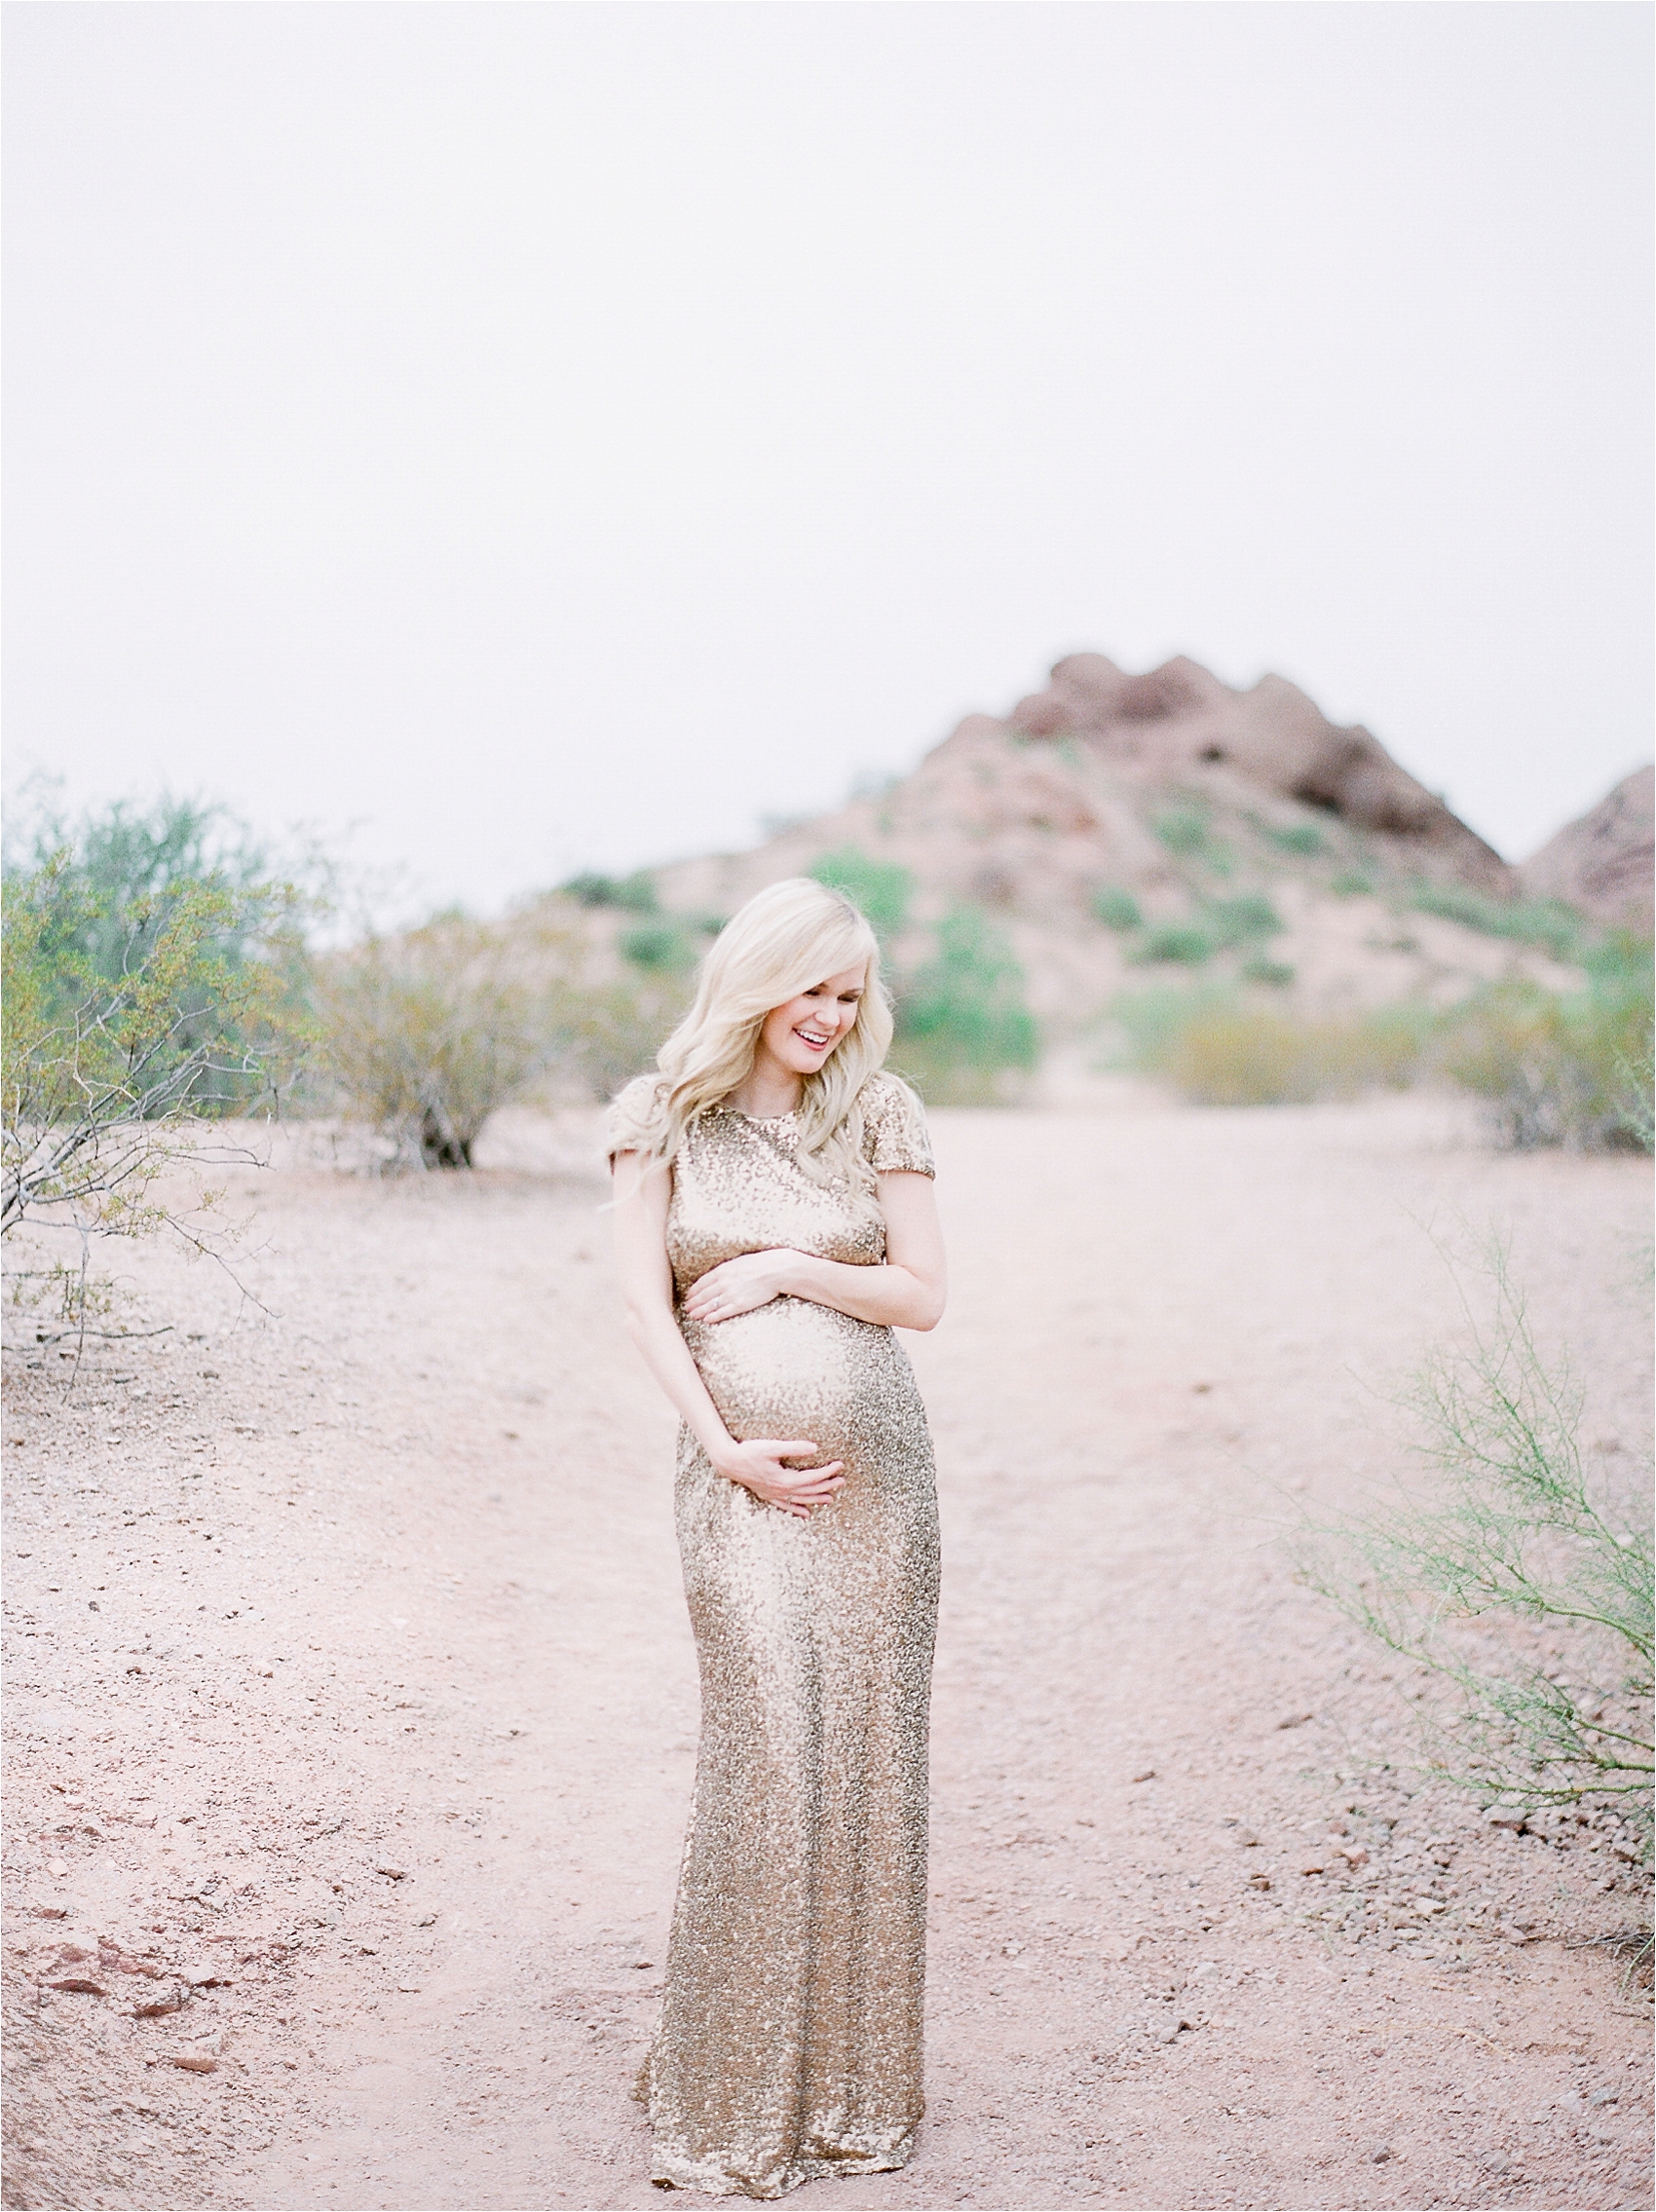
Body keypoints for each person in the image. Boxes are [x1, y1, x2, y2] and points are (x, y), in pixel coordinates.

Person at [607, 876, 947, 2199]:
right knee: (766, 1757)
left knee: (864, 1768)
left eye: (849, 994)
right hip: (738, 1482)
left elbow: (923, 1294)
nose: (828, 1014)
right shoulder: (661, 1118)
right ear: (757, 983)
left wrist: (797, 1271)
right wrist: (725, 1448)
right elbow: (648, 1308)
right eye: (809, 986)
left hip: (880, 1495)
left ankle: (851, 2099)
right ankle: (730, 2093)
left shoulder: (881, 1111)